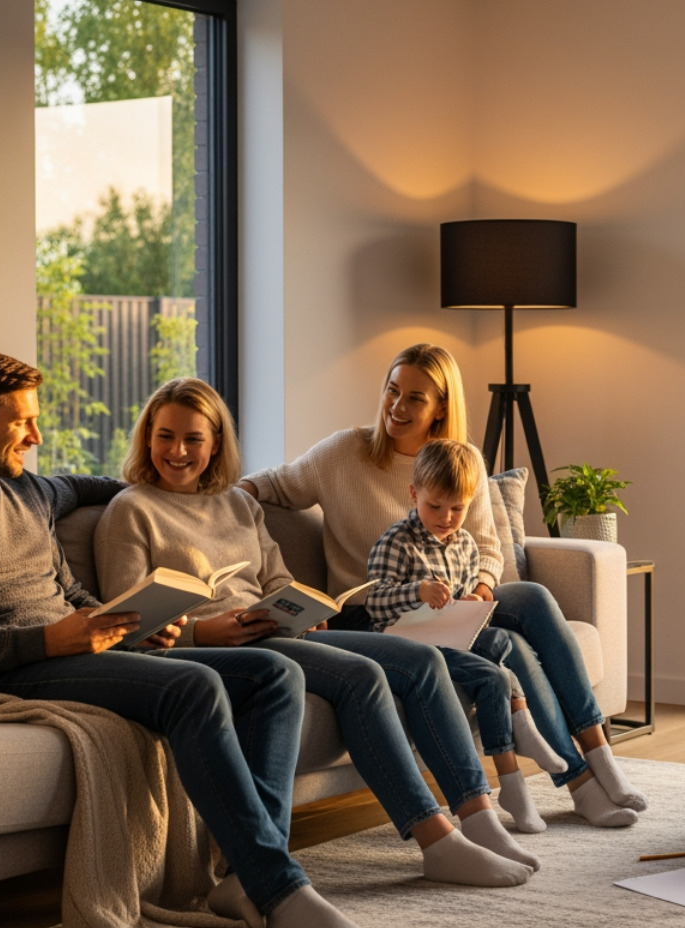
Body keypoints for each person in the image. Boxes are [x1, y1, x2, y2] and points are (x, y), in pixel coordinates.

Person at [0, 350, 357, 928]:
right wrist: (49, 640)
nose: (36, 434)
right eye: (22, 422)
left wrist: (130, 620)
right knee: (193, 687)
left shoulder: (31, 492)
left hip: (76, 645)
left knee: (275, 675)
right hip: (12, 665)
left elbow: (96, 519)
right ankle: (280, 890)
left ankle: (246, 878)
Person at [92, 377, 537, 902]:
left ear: (215, 445)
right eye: (165, 436)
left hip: (268, 633)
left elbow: (277, 579)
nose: (178, 451)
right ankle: (434, 838)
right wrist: (202, 630)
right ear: (147, 439)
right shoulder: (130, 510)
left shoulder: (239, 505)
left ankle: (475, 813)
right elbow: (127, 626)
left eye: (194, 439)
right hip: (214, 647)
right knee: (362, 675)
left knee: (416, 660)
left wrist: (299, 609)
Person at [240, 343, 647, 828]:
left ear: (441, 408)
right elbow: (271, 484)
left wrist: (479, 587)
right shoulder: (344, 453)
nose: (397, 406)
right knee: (511, 643)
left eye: (415, 397)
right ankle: (579, 782)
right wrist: (222, 501)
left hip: (453, 600)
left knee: (533, 598)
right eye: (392, 390)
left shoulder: (463, 460)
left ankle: (600, 756)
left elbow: (488, 547)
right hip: (380, 612)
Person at [365, 438, 570, 833]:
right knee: (491, 677)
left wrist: (473, 602)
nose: (446, 517)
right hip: (408, 644)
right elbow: (373, 602)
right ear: (414, 494)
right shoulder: (396, 542)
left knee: (501, 642)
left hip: (451, 637)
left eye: (458, 508)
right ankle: (511, 778)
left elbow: (464, 601)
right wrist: (418, 591)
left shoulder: (464, 544)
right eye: (434, 506)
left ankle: (521, 721)